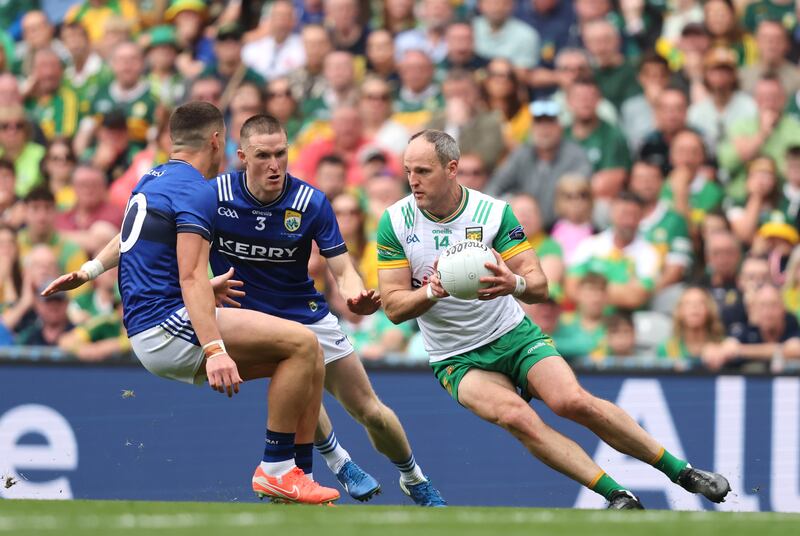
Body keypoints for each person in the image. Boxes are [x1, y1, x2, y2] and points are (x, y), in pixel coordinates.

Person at [377, 129, 731, 510]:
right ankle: (617, 495)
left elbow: (540, 286)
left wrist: (514, 283)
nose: (413, 181)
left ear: (452, 169)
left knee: (572, 401)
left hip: (511, 333)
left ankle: (684, 472)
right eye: (408, 170)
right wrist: (431, 291)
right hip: (455, 356)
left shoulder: (492, 213)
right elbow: (394, 308)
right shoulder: (396, 221)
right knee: (517, 417)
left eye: (423, 171)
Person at [42, 102, 339, 505]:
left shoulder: (154, 177)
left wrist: (91, 270)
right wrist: (215, 348)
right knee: (303, 343)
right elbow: (191, 275)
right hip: (166, 325)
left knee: (307, 361)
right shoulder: (196, 189)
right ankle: (277, 470)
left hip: (149, 327)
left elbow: (137, 236)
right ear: (218, 141)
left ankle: (296, 476)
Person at [208, 115, 445, 506]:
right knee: (292, 372)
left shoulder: (309, 202)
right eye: (263, 155)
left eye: (281, 153)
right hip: (247, 320)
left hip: (306, 315)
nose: (274, 164)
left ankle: (413, 477)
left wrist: (355, 296)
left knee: (369, 411)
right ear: (242, 156)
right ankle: (338, 461)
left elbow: (342, 268)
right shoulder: (214, 195)